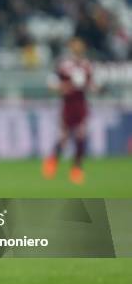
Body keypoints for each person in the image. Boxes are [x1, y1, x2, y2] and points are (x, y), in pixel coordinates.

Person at [42, 38, 95, 184]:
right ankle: (53, 161)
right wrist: (64, 87)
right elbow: (51, 83)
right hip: (67, 104)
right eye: (76, 44)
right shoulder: (64, 64)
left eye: (81, 44)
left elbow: (91, 84)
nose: (78, 47)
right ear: (72, 47)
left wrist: (95, 88)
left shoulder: (87, 65)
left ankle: (76, 169)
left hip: (81, 104)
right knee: (64, 138)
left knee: (80, 136)